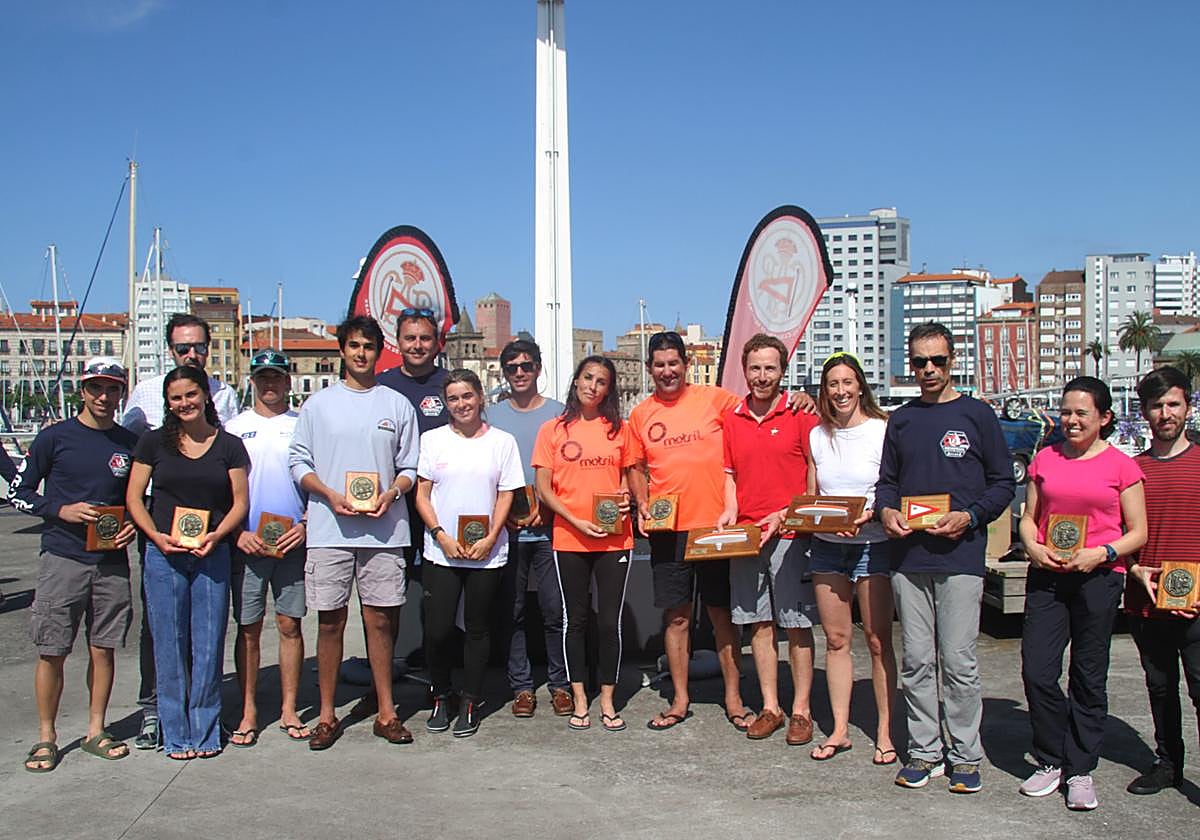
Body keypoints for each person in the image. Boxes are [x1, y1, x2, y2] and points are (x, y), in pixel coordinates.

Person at [876, 322, 1014, 793]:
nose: (929, 369)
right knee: (916, 661)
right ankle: (924, 751)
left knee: (958, 661)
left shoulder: (978, 415)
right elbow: (887, 482)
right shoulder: (902, 419)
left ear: (953, 360)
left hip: (961, 557)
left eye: (938, 360)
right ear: (909, 364)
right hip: (909, 557)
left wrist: (970, 518)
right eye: (919, 361)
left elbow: (1003, 484)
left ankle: (965, 755)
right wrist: (887, 510)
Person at [288, 316, 420, 751]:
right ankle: (327, 715)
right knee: (330, 622)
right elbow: (299, 462)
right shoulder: (318, 405)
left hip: (384, 529)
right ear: (341, 350)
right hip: (330, 528)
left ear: (378, 352)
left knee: (381, 621)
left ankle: (386, 711)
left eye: (368, 346)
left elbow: (409, 467)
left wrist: (392, 493)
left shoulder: (396, 404)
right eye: (354, 346)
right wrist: (326, 493)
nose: (361, 353)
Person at [1017, 376, 1146, 810]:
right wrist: (1032, 546)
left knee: (1089, 677)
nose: (1071, 420)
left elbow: (1138, 532)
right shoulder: (1045, 458)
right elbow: (1028, 517)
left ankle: (1081, 769)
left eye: (1081, 414)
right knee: (1037, 671)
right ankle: (1051, 759)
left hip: (1098, 577)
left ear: (1104, 418)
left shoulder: (1122, 466)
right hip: (1049, 576)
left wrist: (1101, 553)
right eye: (1066, 412)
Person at [12, 358, 139, 772]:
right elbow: (20, 492)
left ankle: (95, 729)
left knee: (103, 649)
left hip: (111, 561)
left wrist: (134, 527)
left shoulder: (129, 442)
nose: (104, 397)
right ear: (82, 391)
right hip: (63, 557)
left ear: (122, 393)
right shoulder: (55, 438)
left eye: (113, 389)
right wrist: (59, 510)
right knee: (52, 649)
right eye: (96, 388)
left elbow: (140, 499)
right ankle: (46, 736)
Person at [121, 312, 239, 751]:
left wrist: (216, 536)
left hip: (211, 543)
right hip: (163, 544)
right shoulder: (151, 434)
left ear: (205, 397)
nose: (185, 401)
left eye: (192, 394)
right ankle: (171, 728)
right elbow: (135, 495)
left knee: (208, 642)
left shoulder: (227, 436)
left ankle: (205, 729)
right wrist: (154, 537)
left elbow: (238, 499)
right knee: (166, 639)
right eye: (177, 397)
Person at [717, 334, 818, 747]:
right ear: (746, 370)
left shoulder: (799, 414)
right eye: (755, 368)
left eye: (770, 368)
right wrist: (729, 512)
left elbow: (814, 470)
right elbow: (729, 474)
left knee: (796, 625)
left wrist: (793, 514)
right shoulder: (733, 418)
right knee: (758, 622)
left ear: (782, 371)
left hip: (791, 534)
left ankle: (801, 711)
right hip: (748, 535)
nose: (762, 376)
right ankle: (771, 706)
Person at [414, 369, 524, 738]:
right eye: (454, 399)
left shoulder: (503, 442)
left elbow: (507, 493)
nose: (461, 404)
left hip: (486, 552)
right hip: (442, 551)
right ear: (446, 404)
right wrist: (440, 535)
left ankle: (471, 701)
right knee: (439, 630)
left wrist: (492, 535)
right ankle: (441, 695)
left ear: (480, 397)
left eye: (467, 396)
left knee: (478, 629)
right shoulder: (432, 440)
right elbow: (422, 495)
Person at [533, 355, 637, 731]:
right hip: (569, 537)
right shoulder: (553, 430)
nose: (593, 385)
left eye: (602, 381)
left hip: (615, 540)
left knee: (609, 624)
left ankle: (607, 700)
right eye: (588, 377)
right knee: (573, 621)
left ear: (609, 389)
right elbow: (543, 488)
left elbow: (629, 479)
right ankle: (580, 699)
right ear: (576, 380)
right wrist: (574, 519)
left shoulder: (619, 430)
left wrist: (627, 497)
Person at [807, 351, 897, 764]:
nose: (840, 391)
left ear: (860, 385)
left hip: (873, 545)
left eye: (847, 382)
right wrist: (823, 520)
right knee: (837, 640)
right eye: (832, 385)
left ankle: (884, 731)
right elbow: (811, 498)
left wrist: (869, 514)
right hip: (828, 547)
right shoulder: (816, 436)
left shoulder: (883, 429)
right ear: (824, 392)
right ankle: (840, 729)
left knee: (878, 641)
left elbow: (891, 487)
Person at [226, 349, 309, 746]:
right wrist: (236, 532)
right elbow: (221, 489)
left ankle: (289, 708)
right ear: (253, 380)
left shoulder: (303, 425)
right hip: (249, 543)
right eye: (263, 377)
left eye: (277, 376)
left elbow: (317, 481)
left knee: (290, 625)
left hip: (292, 541)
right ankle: (248, 710)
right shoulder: (233, 428)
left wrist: (308, 525)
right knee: (248, 630)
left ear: (288, 381)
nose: (270, 383)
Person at [1124, 367, 1199, 796]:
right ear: (1146, 412)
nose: (1165, 413)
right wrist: (1133, 568)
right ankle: (1168, 763)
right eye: (1156, 406)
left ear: (1187, 406)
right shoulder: (1134, 470)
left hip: (1197, 603)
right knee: (1159, 687)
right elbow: (1116, 531)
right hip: (1146, 600)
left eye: (1173, 403)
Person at [488, 339, 572, 718]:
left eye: (526, 365)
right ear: (504, 371)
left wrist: (552, 511)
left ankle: (560, 683)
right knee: (513, 611)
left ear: (539, 368)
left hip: (551, 529)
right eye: (512, 367)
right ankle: (521, 686)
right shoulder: (490, 415)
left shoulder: (560, 414)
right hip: (506, 530)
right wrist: (500, 513)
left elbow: (570, 472)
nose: (519, 372)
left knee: (556, 611)